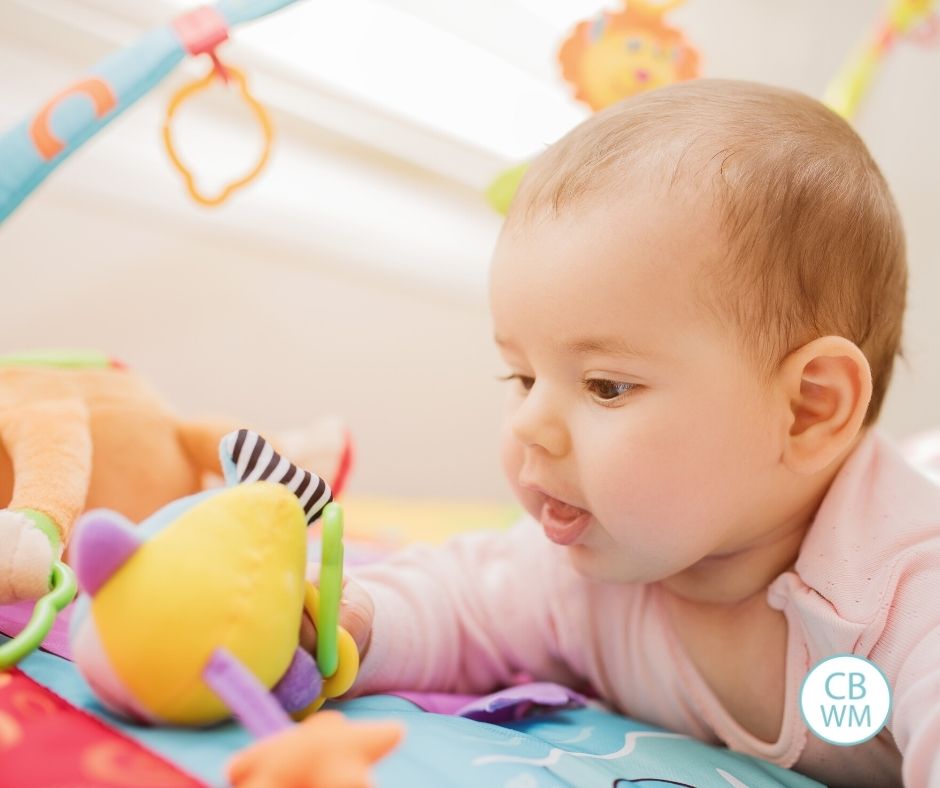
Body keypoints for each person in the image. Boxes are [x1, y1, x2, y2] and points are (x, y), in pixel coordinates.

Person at [302, 79, 940, 787]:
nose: (529, 426)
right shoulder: (594, 565)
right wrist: (344, 622)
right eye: (520, 378)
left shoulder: (906, 589)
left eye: (605, 386)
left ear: (808, 409)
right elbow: (464, 602)